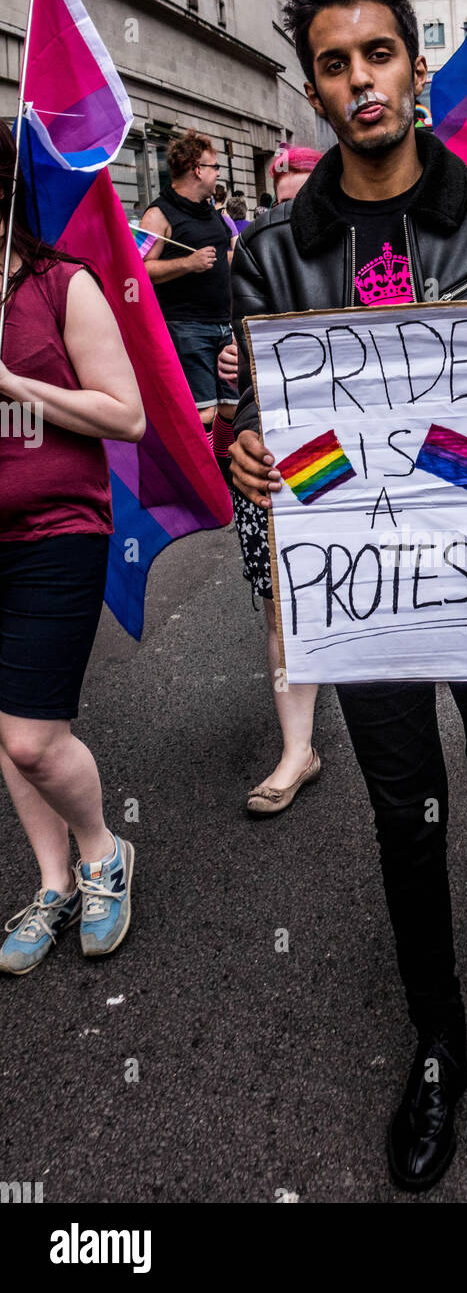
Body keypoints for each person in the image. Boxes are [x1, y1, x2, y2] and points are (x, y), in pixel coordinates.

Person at [228, 0, 467, 1192]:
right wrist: (253, 461)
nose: (360, 80)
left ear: (409, 65)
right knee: (404, 815)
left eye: (377, 53)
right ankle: (437, 1042)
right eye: (333, 65)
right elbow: (273, 422)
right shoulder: (271, 251)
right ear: (315, 89)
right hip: (363, 588)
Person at [0, 120, 144, 976]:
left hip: (56, 531)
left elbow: (124, 415)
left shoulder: (61, 286)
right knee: (5, 719)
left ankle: (101, 850)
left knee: (31, 738)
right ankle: (53, 880)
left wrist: (16, 386)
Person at [217, 148, 325, 820]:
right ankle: (297, 751)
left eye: (304, 198)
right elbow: (246, 385)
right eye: (279, 201)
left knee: (365, 584)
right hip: (284, 454)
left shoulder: (374, 259)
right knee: (284, 603)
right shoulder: (253, 263)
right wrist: (238, 370)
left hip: (364, 457)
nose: (290, 215)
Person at [137, 130, 236, 470]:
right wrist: (188, 264)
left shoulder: (210, 210)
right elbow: (137, 270)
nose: (218, 173)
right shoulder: (158, 215)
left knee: (230, 406)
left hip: (224, 321)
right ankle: (207, 474)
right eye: (214, 166)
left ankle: (221, 462)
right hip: (186, 325)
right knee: (204, 409)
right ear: (197, 168)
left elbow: (227, 252)